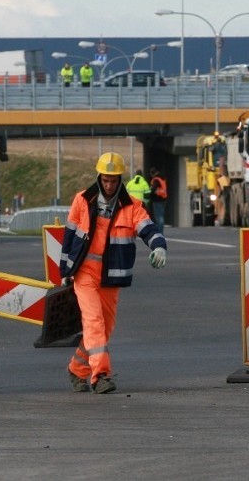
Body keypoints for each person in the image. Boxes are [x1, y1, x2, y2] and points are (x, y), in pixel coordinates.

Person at [61, 152, 167, 394]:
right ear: (99, 178)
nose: (109, 185)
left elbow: (148, 229)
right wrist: (65, 271)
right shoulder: (82, 200)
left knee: (104, 327)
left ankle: (77, 368)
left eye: (113, 180)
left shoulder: (131, 206)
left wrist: (159, 246)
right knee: (94, 322)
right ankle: (100, 375)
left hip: (111, 276)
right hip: (84, 274)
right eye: (105, 180)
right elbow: (69, 238)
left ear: (120, 180)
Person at [149, 167, 167, 233]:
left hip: (157, 200)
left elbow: (153, 189)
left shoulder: (156, 179)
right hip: (163, 199)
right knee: (161, 216)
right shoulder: (162, 178)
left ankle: (159, 231)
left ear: (152, 173)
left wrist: (150, 195)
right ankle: (161, 231)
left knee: (158, 217)